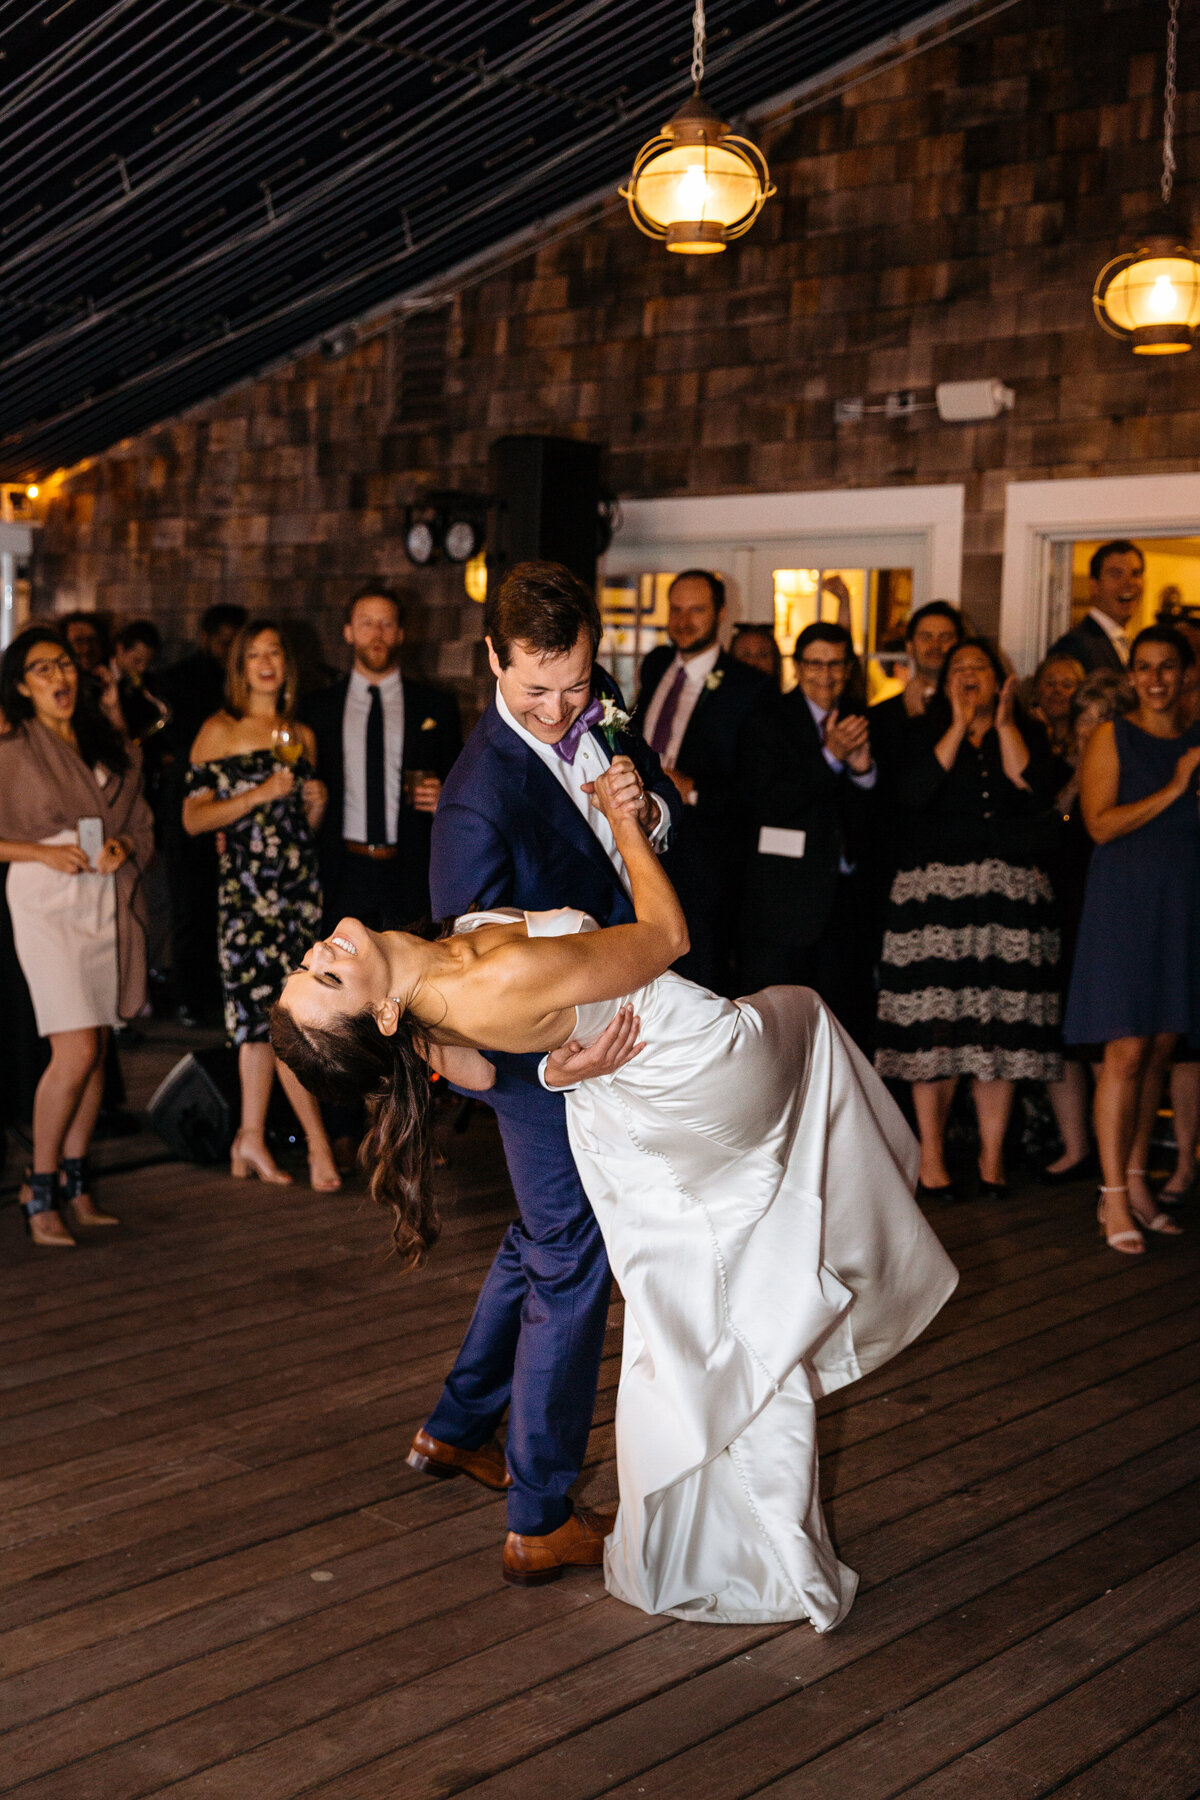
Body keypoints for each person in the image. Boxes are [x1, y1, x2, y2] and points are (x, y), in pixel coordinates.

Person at [270, 763, 957, 1627]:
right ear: (374, 1017)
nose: (323, 953)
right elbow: (665, 937)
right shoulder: (470, 987)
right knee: (809, 1015)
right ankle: (858, 1264)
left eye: (306, 963)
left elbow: (478, 1067)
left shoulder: (417, 995)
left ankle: (730, 1486)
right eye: (326, 979)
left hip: (645, 1072)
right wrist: (624, 818)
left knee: (722, 1276)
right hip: (701, 1054)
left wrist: (554, 1067)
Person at [393, 561, 680, 1585]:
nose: (560, 712)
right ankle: (540, 1510)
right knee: (571, 1253)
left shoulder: (599, 718)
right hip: (536, 1064)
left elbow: (652, 839)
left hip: (611, 1030)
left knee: (539, 1238)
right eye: (535, 692)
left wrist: (644, 816)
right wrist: (553, 1063)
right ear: (493, 663)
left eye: (575, 687)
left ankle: (454, 1427)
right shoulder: (474, 800)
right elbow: (463, 986)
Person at [874, 638, 1065, 1199]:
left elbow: (1035, 790)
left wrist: (1003, 726)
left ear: (1002, 677)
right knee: (934, 1030)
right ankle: (932, 1161)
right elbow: (910, 794)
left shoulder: (1023, 728)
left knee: (996, 1031)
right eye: (958, 669)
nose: (969, 675)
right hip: (934, 901)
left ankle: (991, 1159)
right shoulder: (919, 726)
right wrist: (955, 724)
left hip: (1006, 904)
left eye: (980, 667)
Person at [0, 625, 153, 1246]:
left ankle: (76, 1182)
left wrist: (124, 845)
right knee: (76, 1052)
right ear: (19, 685)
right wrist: (37, 851)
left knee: (97, 1052)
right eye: (42, 669)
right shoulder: (11, 745)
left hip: (103, 895)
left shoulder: (105, 740)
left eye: (63, 665)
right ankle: (37, 1191)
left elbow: (139, 822)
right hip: (45, 899)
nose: (59, 677)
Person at [182, 619, 340, 1191]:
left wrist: (314, 806)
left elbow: (299, 826)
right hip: (247, 895)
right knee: (279, 1018)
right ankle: (319, 1148)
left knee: (267, 1020)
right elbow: (193, 818)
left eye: (276, 652)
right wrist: (259, 794)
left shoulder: (300, 734)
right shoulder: (218, 731)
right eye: (254, 654)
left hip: (298, 889)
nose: (267, 662)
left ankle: (248, 1137)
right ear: (240, 666)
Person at [1065, 625, 1200, 1253]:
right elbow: (1098, 824)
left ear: (1186, 672)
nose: (1155, 679)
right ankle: (1111, 1197)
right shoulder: (1112, 736)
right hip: (1124, 907)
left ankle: (1140, 1183)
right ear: (1132, 675)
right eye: (1144, 667)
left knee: (1159, 1051)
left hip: (1183, 905)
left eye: (1167, 666)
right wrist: (1174, 788)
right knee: (1123, 1053)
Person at [739, 621, 877, 1050]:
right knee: (778, 1028)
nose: (826, 674)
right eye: (816, 664)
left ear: (849, 668)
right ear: (798, 667)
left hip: (845, 898)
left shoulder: (862, 717)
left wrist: (862, 772)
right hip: (783, 903)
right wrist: (830, 757)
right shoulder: (769, 719)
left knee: (840, 1029)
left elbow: (879, 813)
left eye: (836, 664)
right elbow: (769, 801)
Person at [631, 570, 770, 992]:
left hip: (704, 862)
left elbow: (757, 788)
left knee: (697, 979)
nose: (683, 620)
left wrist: (691, 790)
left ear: (721, 614)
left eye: (696, 610)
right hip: (638, 845)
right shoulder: (655, 665)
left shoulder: (750, 687)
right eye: (675, 609)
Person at [304, 586, 462, 932]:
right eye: (367, 623)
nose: (377, 633)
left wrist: (445, 798)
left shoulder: (437, 707)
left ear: (401, 633)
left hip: (411, 871)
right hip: (340, 872)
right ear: (348, 632)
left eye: (387, 624)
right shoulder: (317, 709)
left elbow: (462, 786)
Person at [1041, 670, 1127, 1183]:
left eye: (1102, 718)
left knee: (1104, 1036)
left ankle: (1111, 1151)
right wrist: (1076, 779)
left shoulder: (1130, 775)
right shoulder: (1055, 772)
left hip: (1111, 915)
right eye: (1082, 717)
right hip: (1059, 913)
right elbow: (1045, 830)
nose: (1088, 728)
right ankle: (1077, 1148)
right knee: (1060, 1036)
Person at [158, 603, 247, 1025]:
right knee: (188, 905)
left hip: (233, 807)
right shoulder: (176, 681)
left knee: (220, 903)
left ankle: (216, 991)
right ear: (207, 639)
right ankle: (187, 996)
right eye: (224, 642)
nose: (229, 650)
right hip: (188, 800)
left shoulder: (240, 686)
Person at [868, 601, 965, 772]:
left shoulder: (973, 709)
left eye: (945, 637)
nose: (935, 645)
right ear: (910, 647)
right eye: (926, 637)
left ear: (959, 646)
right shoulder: (880, 716)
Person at [1049, 541, 1144, 673]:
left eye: (1136, 574)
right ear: (1094, 586)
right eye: (1116, 575)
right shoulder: (1073, 646)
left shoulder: (1133, 644)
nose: (1129, 583)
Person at [1028, 651, 1086, 754]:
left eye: (1067, 685)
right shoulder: (1018, 733)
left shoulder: (1087, 736)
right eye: (1050, 683)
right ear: (1036, 688)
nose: (1057, 690)